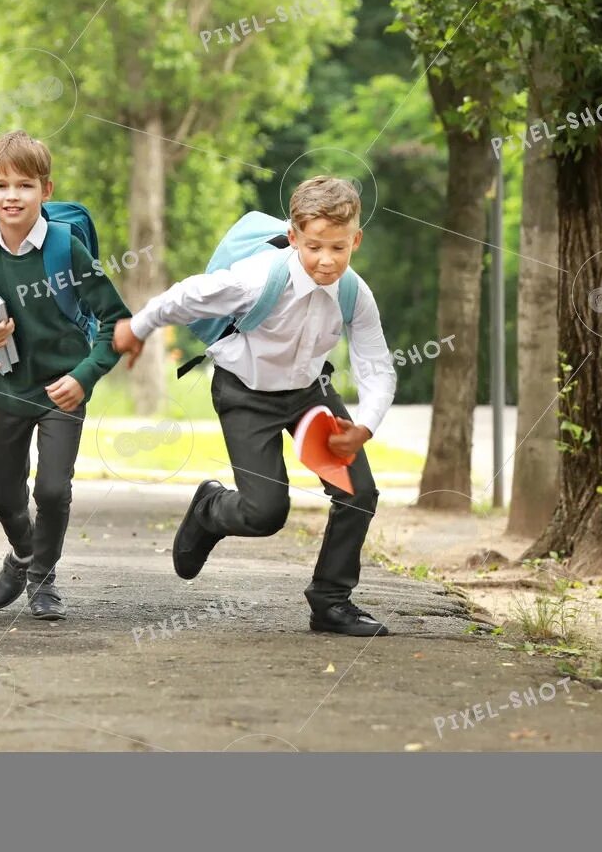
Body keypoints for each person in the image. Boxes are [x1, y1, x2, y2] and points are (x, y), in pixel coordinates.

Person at [113, 176, 398, 637]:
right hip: (246, 392)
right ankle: (209, 509)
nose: (327, 260)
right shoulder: (257, 278)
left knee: (359, 493)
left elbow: (376, 366)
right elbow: (187, 296)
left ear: (355, 240)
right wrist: (138, 327)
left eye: (339, 249)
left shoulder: (354, 293)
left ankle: (331, 601)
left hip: (309, 393)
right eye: (314, 247)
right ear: (293, 238)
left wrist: (364, 426)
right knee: (265, 513)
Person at [0, 131, 131, 621]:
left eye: (24, 185)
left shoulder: (65, 249)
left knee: (50, 489)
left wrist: (85, 378)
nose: (11, 196)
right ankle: (24, 555)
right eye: (0, 185)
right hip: (3, 388)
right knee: (5, 494)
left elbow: (117, 323)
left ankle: (43, 579)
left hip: (61, 390)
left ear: (46, 191)